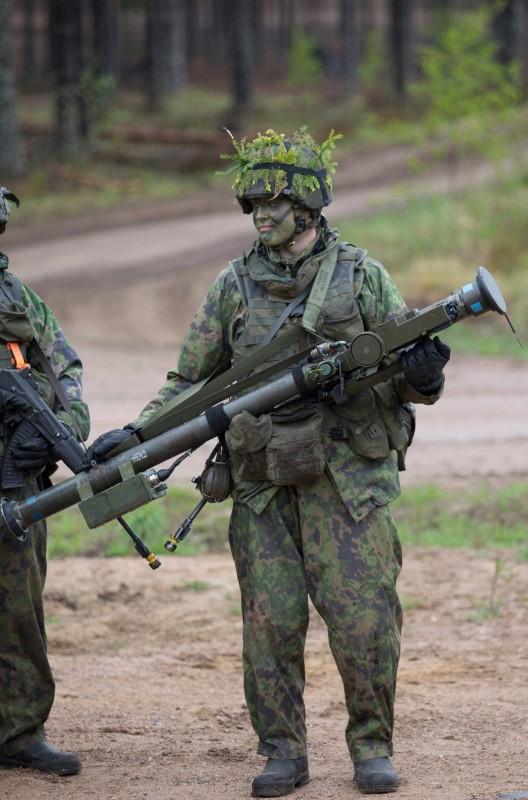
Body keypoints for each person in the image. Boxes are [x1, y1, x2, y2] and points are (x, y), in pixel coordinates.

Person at [88, 128, 450, 795]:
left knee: (364, 618)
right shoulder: (234, 285)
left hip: (347, 480)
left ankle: (371, 747)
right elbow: (190, 379)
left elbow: (402, 365)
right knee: (269, 622)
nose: (261, 214)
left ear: (308, 205)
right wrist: (136, 431)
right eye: (252, 202)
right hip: (260, 481)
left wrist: (423, 378)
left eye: (274, 201)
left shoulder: (360, 275)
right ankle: (281, 752)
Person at [0, 187, 90, 776]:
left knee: (18, 610)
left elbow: (66, 373)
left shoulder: (18, 300)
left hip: (15, 484)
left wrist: (60, 427)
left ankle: (19, 730)